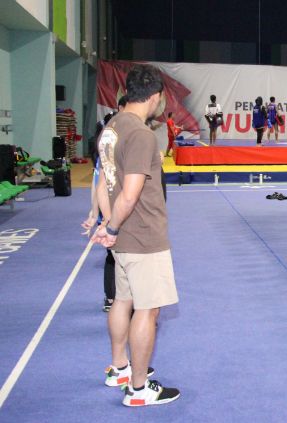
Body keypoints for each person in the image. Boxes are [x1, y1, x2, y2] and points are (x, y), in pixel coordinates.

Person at [92, 64, 180, 406]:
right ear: (156, 97)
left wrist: (107, 223)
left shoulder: (111, 128)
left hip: (123, 236)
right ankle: (139, 388)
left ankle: (119, 367)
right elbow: (130, 192)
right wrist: (111, 227)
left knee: (123, 301)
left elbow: (104, 182)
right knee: (148, 310)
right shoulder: (141, 134)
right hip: (142, 235)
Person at [86, 95, 127, 312]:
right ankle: (111, 297)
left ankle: (121, 298)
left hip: (121, 211)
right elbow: (98, 183)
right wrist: (98, 215)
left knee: (123, 257)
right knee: (113, 255)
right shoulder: (108, 145)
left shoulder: (127, 141)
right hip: (113, 210)